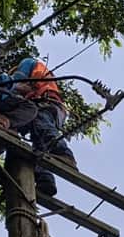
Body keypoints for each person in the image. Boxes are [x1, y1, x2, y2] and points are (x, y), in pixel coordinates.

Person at [9, 57, 77, 196]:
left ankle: (63, 154)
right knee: (39, 143)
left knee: (42, 128)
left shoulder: (28, 63)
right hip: (47, 105)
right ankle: (45, 180)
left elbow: (18, 82)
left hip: (45, 102)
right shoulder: (42, 74)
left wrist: (9, 87)